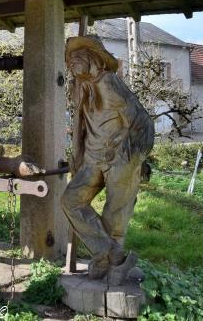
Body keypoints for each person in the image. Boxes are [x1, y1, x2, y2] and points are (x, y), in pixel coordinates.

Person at [62, 36, 154, 280]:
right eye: (69, 60)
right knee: (71, 200)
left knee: (116, 212)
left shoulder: (109, 83)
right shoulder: (81, 87)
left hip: (118, 158)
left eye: (76, 58)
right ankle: (111, 255)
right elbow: (81, 125)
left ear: (92, 58)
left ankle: (110, 267)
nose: (71, 64)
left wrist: (133, 155)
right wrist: (78, 155)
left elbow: (142, 122)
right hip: (92, 158)